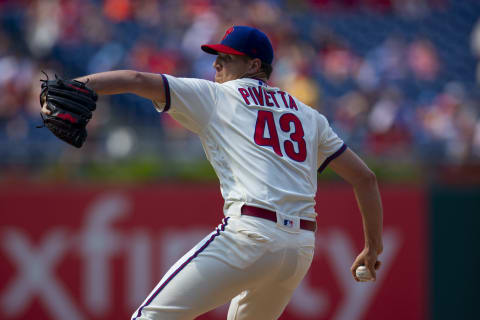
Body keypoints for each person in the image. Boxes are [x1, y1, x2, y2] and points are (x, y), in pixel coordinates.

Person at [41, 25, 383, 320]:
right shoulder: (308, 115)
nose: (217, 63)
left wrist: (75, 85)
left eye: (228, 57)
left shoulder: (218, 96)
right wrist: (373, 247)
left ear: (254, 65)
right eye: (216, 55)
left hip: (250, 235)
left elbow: (135, 79)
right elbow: (364, 178)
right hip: (299, 250)